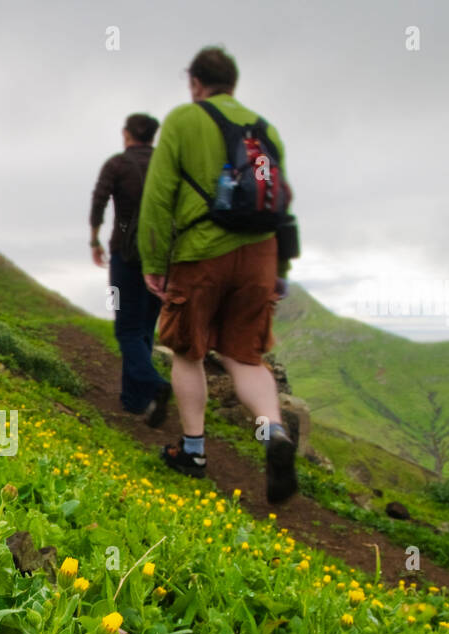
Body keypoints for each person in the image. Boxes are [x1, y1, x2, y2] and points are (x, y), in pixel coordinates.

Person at [137, 46, 298, 504]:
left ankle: (193, 453)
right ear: (233, 83)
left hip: (201, 252)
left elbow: (159, 196)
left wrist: (153, 262)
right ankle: (273, 432)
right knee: (246, 358)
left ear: (195, 82)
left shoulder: (184, 121)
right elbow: (281, 202)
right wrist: (278, 270)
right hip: (260, 255)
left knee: (187, 350)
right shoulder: (265, 129)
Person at [90, 113, 172, 427]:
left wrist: (94, 239)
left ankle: (152, 385)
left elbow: (98, 202)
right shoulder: (167, 166)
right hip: (162, 258)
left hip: (125, 254)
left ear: (126, 135)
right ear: (153, 136)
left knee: (126, 327)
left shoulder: (116, 165)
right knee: (144, 327)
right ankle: (134, 399)